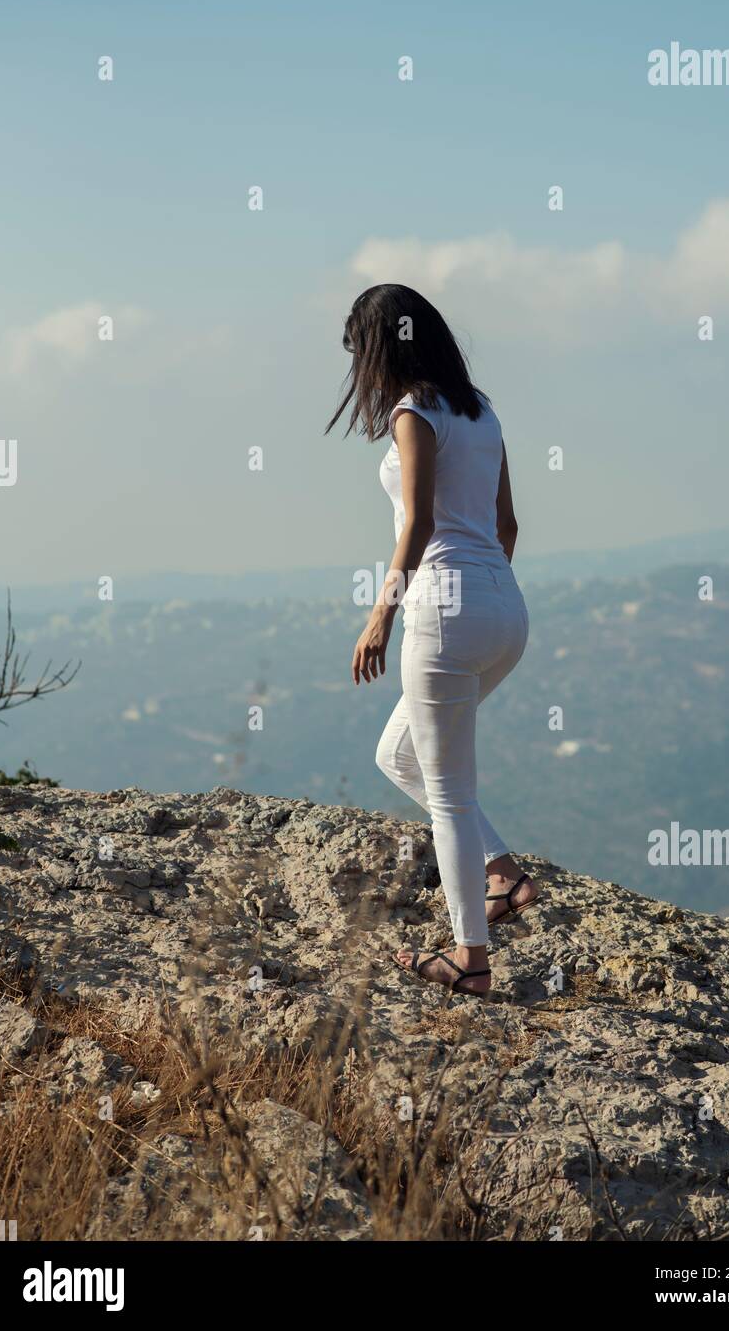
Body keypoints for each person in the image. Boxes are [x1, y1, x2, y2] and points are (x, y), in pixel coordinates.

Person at [326, 284, 538, 995]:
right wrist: (479, 593)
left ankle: (468, 959)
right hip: (503, 610)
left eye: (359, 349)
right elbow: (507, 526)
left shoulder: (411, 413)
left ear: (383, 346)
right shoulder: (481, 413)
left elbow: (416, 522)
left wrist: (380, 614)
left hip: (442, 611)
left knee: (447, 794)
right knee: (398, 754)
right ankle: (502, 875)